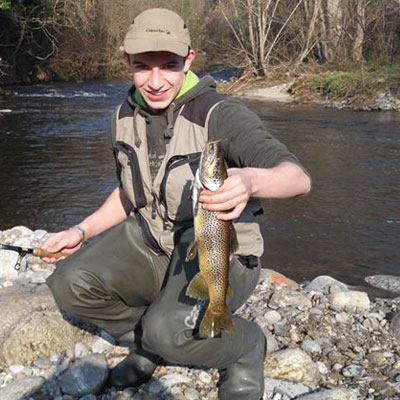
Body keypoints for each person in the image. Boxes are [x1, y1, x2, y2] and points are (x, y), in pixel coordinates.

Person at [43, 8, 311, 400]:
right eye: (142, 67)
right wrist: (80, 231)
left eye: (168, 66)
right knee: (69, 285)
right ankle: (154, 342)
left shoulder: (221, 115)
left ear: (189, 59)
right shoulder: (120, 117)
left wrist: (252, 179)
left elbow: (298, 178)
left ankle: (245, 346)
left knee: (169, 331)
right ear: (126, 62)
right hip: (155, 244)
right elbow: (130, 194)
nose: (155, 82)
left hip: (218, 252)